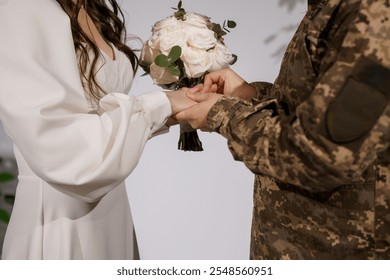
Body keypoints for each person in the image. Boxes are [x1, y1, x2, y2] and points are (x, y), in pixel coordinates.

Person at [176, 0, 390, 259]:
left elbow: (324, 153)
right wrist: (249, 96)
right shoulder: (329, 6)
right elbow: (317, 109)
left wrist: (223, 113)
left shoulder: (373, 14)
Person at [0, 0, 194, 259]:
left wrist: (168, 112)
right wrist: (159, 106)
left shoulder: (91, 6)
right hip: (60, 206)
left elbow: (100, 114)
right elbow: (56, 142)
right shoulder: (20, 7)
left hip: (110, 201)